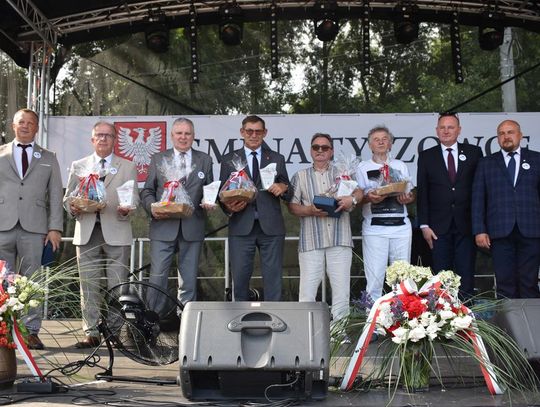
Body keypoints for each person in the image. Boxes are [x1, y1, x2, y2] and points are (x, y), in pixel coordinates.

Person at [64, 121, 139, 348]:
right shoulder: (79, 165)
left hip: (117, 230)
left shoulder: (128, 166)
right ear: (92, 139)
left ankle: (114, 332)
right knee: (88, 285)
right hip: (87, 232)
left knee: (117, 285)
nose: (103, 139)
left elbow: (133, 197)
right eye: (99, 135)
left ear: (115, 140)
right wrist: (73, 207)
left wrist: (128, 209)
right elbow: (67, 198)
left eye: (108, 135)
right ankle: (92, 332)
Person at [0, 108, 63, 350]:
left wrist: (55, 228)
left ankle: (30, 331)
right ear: (13, 126)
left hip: (35, 228)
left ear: (37, 128)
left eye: (30, 123)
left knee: (32, 281)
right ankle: (3, 329)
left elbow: (56, 195)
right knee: (1, 281)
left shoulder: (49, 157)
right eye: (21, 122)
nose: (25, 126)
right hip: (2, 225)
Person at [140, 118, 214, 308]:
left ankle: (185, 321)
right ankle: (152, 320)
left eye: (187, 133)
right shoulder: (158, 158)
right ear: (172, 136)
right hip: (162, 226)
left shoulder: (205, 160)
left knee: (189, 280)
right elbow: (147, 191)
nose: (183, 137)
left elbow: (210, 189)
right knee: (157, 278)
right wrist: (152, 208)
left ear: (193, 136)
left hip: (192, 227)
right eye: (179, 133)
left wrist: (209, 202)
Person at [288, 133, 361, 322]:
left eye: (325, 147)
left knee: (341, 293)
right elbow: (292, 206)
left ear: (331, 151)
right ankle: (307, 331)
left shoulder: (343, 173)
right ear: (310, 150)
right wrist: (309, 210)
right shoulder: (300, 176)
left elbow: (359, 192)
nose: (320, 150)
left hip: (340, 239)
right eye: (316, 147)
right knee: (307, 293)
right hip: (311, 241)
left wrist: (351, 199)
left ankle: (339, 332)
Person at [219, 115, 292, 301]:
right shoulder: (229, 159)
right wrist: (229, 207)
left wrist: (283, 187)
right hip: (241, 225)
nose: (253, 135)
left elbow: (288, 189)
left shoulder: (276, 158)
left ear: (265, 133)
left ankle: (274, 317)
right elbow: (221, 193)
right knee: (240, 279)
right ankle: (240, 317)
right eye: (249, 131)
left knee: (274, 279)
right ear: (242, 132)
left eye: (258, 131)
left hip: (271, 227)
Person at [417, 113, 482, 298]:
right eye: (442, 127)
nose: (446, 131)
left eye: (450, 127)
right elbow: (423, 192)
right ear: (437, 131)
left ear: (459, 130)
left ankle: (467, 313)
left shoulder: (474, 152)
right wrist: (424, 225)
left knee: (466, 273)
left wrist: (480, 225)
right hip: (437, 227)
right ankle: (442, 313)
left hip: (467, 224)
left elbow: (480, 189)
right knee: (440, 276)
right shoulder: (426, 156)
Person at [472, 120, 540, 299]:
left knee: (529, 282)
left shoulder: (537, 159)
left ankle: (531, 318)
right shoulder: (486, 163)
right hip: (499, 231)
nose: (506, 136)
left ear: (520, 135)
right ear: (498, 138)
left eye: (510, 132)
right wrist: (479, 230)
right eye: (501, 133)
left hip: (531, 229)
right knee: (505, 283)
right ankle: (508, 319)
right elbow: (478, 199)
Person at [356, 126, 414, 301]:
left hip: (401, 228)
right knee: (375, 279)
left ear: (390, 144)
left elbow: (410, 193)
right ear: (370, 145)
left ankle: (403, 316)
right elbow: (357, 198)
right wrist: (370, 197)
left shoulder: (400, 165)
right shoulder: (362, 167)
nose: (380, 142)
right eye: (376, 139)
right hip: (375, 229)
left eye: (384, 139)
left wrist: (407, 198)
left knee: (402, 279)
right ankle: (373, 317)